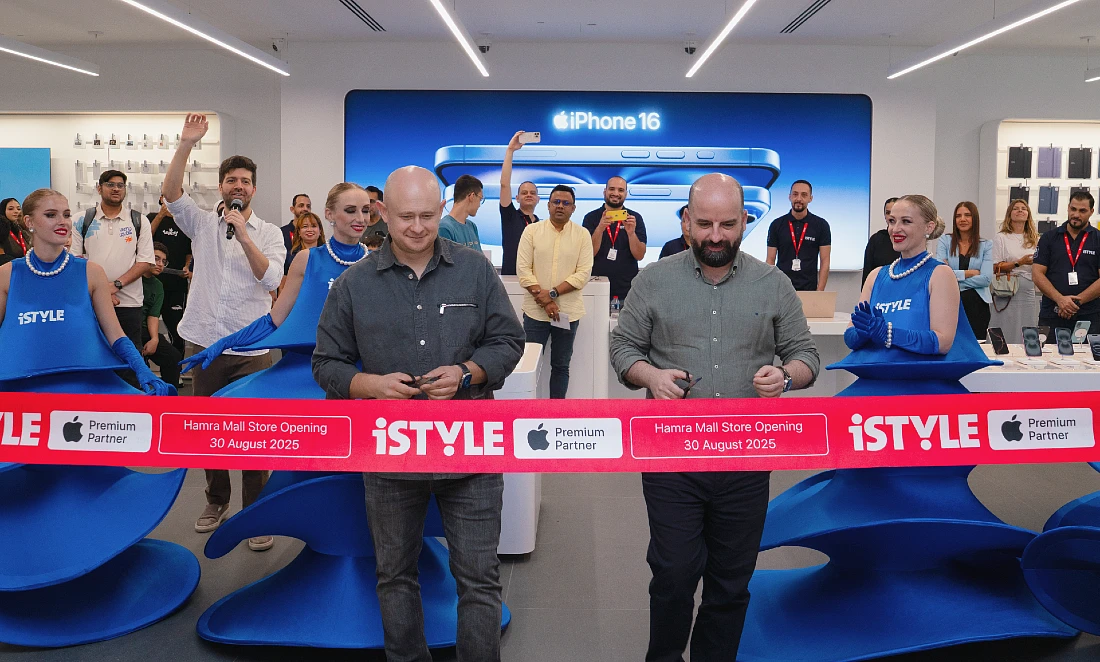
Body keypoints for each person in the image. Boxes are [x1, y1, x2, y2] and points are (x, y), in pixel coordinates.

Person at [312, 166, 524, 662]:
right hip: (390, 455)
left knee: (478, 579)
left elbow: (508, 341)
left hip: (470, 451)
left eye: (428, 216)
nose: (417, 227)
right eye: (405, 216)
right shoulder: (353, 285)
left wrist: (469, 373)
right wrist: (370, 385)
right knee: (395, 575)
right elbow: (327, 364)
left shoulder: (475, 270)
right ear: (382, 212)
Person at [609, 173, 820, 662]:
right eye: (704, 223)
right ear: (686, 220)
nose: (716, 235)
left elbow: (804, 354)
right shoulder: (654, 280)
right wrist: (650, 377)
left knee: (731, 579)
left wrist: (786, 377)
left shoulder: (774, 284)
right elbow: (623, 348)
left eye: (728, 224)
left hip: (746, 457)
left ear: (745, 221)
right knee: (675, 572)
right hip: (670, 455)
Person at [162, 113, 286, 545]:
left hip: (251, 347)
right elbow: (171, 193)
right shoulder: (200, 223)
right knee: (209, 427)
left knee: (253, 434)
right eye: (231, 179)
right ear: (221, 186)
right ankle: (216, 498)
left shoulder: (269, 233)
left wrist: (244, 235)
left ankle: (253, 512)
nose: (238, 186)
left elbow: (271, 281)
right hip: (203, 342)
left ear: (254, 188)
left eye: (245, 181)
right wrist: (186, 144)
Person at [182, 183, 371, 401]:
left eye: (365, 210)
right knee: (226, 402)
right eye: (350, 210)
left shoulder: (375, 264)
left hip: (361, 376)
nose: (360, 218)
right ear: (329, 214)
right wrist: (224, 343)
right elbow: (274, 320)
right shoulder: (307, 260)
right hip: (308, 371)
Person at [0, 188, 174, 396]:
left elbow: (116, 335)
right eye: (50, 215)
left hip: (85, 384)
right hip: (20, 385)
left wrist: (142, 369)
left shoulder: (91, 272)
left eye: (66, 215)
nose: (62, 221)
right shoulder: (8, 274)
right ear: (29, 222)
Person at [71, 169, 155, 385]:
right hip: (90, 303)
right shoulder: (82, 219)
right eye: (110, 184)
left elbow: (144, 261)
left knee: (128, 362)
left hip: (129, 304)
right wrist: (100, 292)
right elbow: (75, 261)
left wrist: (114, 286)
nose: (116, 188)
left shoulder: (138, 220)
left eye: (120, 185)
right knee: (91, 359)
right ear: (99, 188)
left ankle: (131, 412)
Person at [517, 184, 594, 399]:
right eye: (556, 202)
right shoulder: (531, 231)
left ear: (573, 208)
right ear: (548, 205)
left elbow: (582, 274)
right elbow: (523, 270)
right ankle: (527, 412)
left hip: (567, 312)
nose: (560, 206)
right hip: (535, 313)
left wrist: (551, 295)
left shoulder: (582, 235)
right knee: (529, 366)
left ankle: (556, 413)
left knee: (561, 366)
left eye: (566, 203)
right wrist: (545, 301)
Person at [1033, 190, 1100, 332]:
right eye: (1073, 209)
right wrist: (1060, 299)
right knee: (1048, 354)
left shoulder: (1098, 239)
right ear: (1068, 207)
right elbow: (1037, 274)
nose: (1076, 214)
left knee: (1087, 354)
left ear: (1091, 211)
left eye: (1082, 211)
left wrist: (1074, 302)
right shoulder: (1049, 238)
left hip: (1089, 315)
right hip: (1052, 312)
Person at [935, 202, 993, 340]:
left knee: (976, 345)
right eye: (958, 216)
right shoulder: (945, 241)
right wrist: (968, 273)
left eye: (967, 215)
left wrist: (953, 276)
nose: (962, 219)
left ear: (975, 218)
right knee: (951, 344)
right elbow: (939, 273)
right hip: (950, 303)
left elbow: (986, 279)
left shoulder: (986, 245)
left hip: (977, 305)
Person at [583, 176, 646, 301]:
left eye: (621, 190)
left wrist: (631, 233)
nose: (616, 193)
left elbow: (640, 255)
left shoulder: (634, 218)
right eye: (612, 189)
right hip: (595, 288)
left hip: (627, 291)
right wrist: (600, 228)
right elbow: (588, 254)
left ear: (626, 194)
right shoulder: (591, 218)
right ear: (604, 192)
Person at [766, 180, 832, 291]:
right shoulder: (776, 225)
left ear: (810, 198)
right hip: (781, 289)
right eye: (795, 194)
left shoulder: (821, 225)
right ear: (789, 197)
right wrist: (771, 288)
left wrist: (819, 291)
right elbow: (770, 260)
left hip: (809, 289)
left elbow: (825, 262)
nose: (799, 199)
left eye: (804, 195)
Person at [990, 199, 1040, 344]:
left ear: (1028, 214)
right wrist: (1019, 262)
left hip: (1028, 289)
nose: (1020, 210)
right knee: (1003, 325)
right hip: (1006, 289)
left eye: (1023, 208)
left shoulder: (1035, 239)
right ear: (1009, 214)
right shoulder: (1001, 237)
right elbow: (995, 267)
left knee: (1027, 326)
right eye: (1016, 208)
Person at [149, 195, 191, 357]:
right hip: (150, 283)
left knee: (177, 329)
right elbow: (143, 239)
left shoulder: (185, 223)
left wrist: (187, 267)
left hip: (176, 285)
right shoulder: (152, 218)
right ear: (160, 199)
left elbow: (189, 251)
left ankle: (177, 371)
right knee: (144, 329)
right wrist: (160, 215)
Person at [499, 130, 540, 276]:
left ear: (538, 199)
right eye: (524, 192)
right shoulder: (510, 216)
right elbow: (504, 184)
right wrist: (510, 150)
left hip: (537, 282)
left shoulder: (543, 225)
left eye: (532, 193)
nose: (529, 195)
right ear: (516, 198)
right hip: (512, 279)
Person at [141, 243, 182, 389]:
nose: (160, 264)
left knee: (174, 357)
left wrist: (154, 339)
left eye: (164, 261)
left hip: (144, 331)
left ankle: (168, 400)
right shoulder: (132, 277)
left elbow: (153, 315)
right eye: (156, 259)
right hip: (125, 327)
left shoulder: (158, 286)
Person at [279, 211, 325, 292]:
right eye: (305, 226)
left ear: (320, 230)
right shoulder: (290, 256)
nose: (309, 230)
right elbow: (283, 287)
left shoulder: (328, 255)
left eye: (314, 226)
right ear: (299, 232)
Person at [439, 174, 484, 252]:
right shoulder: (444, 228)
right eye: (480, 199)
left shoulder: (472, 226)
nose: (479, 205)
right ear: (472, 196)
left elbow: (481, 261)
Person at [861, 197, 900, 285]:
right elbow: (867, 273)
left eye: (895, 212)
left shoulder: (909, 240)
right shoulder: (876, 239)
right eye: (888, 212)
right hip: (879, 291)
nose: (891, 216)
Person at [282, 193, 311, 274]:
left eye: (308, 206)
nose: (305, 209)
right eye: (301, 205)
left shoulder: (314, 233)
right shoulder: (281, 233)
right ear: (292, 209)